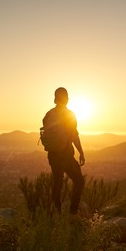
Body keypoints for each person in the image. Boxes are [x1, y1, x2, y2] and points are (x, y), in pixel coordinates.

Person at [42, 87, 85, 215]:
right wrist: (81, 152)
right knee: (79, 181)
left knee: (57, 183)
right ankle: (73, 212)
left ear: (55, 98)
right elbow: (74, 136)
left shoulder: (48, 114)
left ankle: (56, 212)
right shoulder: (69, 114)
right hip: (65, 155)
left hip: (52, 154)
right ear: (67, 99)